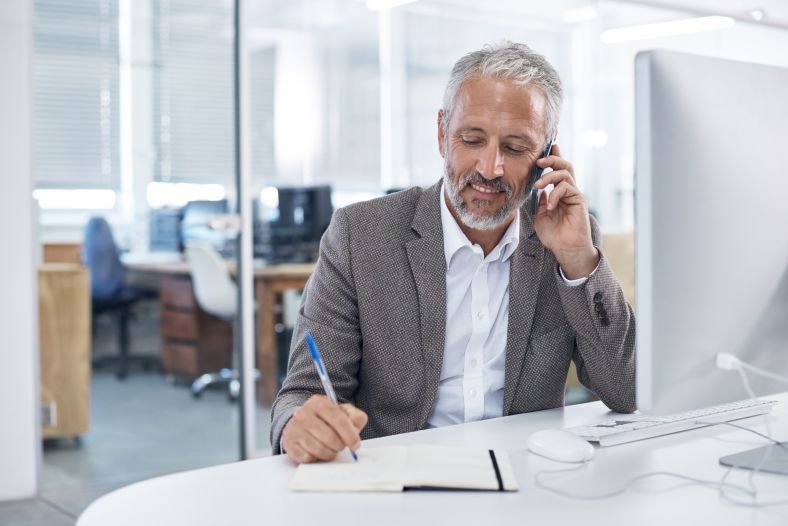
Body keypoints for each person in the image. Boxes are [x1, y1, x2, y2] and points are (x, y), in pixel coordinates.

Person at [271, 41, 635, 464]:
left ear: (547, 154)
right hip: (396, 482)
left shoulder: (567, 237)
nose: (489, 168)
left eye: (516, 148)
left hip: (527, 482)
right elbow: (301, 394)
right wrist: (299, 425)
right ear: (442, 133)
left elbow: (627, 389)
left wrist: (578, 261)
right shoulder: (360, 236)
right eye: (472, 139)